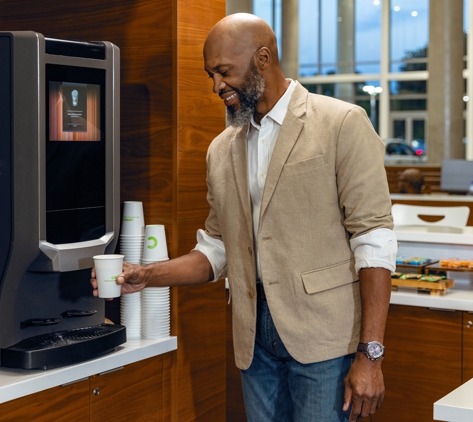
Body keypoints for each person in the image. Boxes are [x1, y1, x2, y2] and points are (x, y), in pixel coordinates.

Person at [91, 13, 397, 422]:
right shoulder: (221, 149)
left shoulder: (341, 123)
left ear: (263, 59)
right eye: (210, 75)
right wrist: (148, 275)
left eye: (224, 72)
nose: (217, 86)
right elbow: (217, 250)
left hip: (326, 342)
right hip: (254, 341)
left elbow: (373, 240)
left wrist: (370, 355)